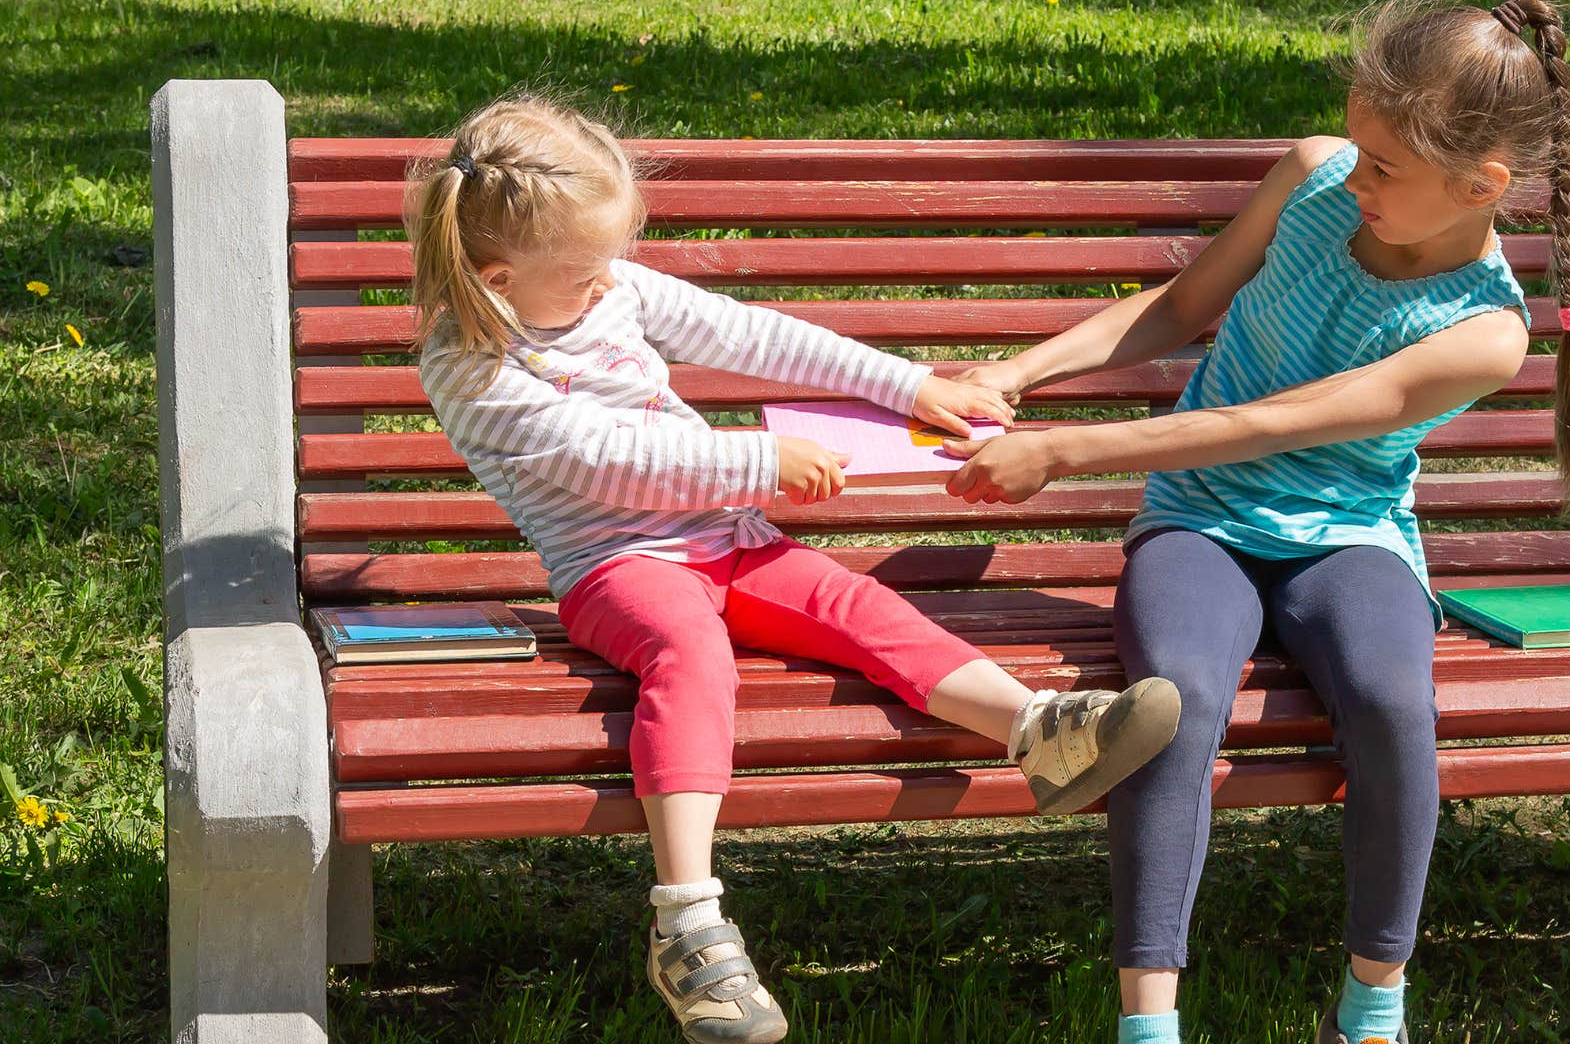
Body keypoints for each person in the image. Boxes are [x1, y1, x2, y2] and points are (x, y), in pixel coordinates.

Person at [407, 94, 1182, 1044]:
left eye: (612, 259)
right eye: (582, 273)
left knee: (855, 603)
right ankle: (688, 921)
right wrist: (760, 465)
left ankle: (1038, 732)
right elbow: (603, 458)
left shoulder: (612, 289)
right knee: (691, 658)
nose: (607, 285)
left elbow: (755, 334)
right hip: (617, 565)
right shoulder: (471, 366)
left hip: (731, 539)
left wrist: (910, 385)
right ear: (495, 277)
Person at [945, 0, 1570, 1044]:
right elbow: (1180, 308)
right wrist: (1019, 375)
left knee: (1393, 704)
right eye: (1358, 141)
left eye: (1385, 165)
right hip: (1198, 518)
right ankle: (1148, 1025)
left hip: (1348, 535)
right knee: (1174, 698)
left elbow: (1273, 424)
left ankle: (1373, 1007)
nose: (1357, 174)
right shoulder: (1314, 178)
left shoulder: (1485, 332)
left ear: (1480, 186)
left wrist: (1068, 453)